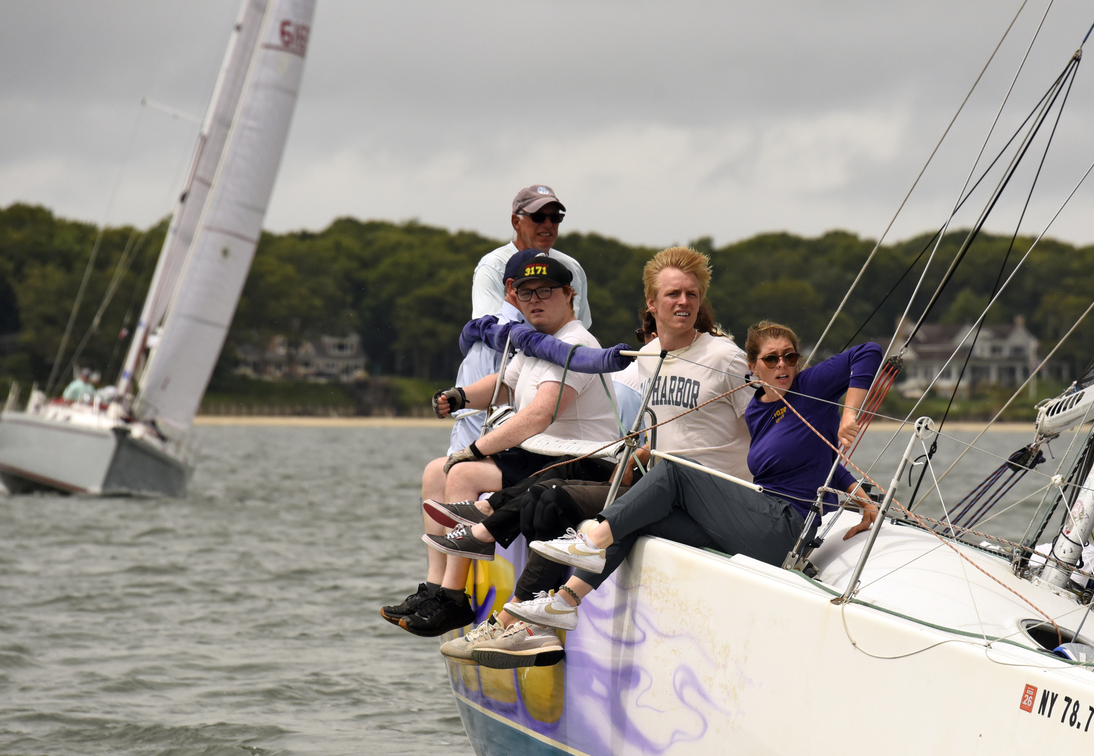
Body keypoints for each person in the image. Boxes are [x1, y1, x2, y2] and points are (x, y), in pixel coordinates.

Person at [474, 322, 884, 662]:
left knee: (676, 472)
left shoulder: (810, 387)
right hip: (759, 521)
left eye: (789, 356)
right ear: (752, 365)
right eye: (771, 359)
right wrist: (859, 494)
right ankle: (565, 601)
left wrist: (849, 415)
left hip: (785, 525)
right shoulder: (759, 408)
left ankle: (589, 541)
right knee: (637, 518)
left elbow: (867, 352)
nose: (783, 365)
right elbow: (812, 459)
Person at [432, 246, 758, 665]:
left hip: (709, 495)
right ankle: (521, 615)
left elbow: (764, 428)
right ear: (651, 303)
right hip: (656, 484)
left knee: (557, 499)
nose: (683, 302)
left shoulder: (723, 357)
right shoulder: (645, 360)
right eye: (673, 294)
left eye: (691, 294)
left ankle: (515, 616)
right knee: (551, 488)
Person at [379, 250, 618, 639]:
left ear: (569, 294)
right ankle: (435, 587)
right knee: (433, 472)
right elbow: (505, 384)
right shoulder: (541, 341)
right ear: (514, 299)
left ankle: (454, 599)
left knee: (462, 472)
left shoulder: (575, 344)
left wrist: (477, 448)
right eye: (526, 294)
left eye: (545, 291)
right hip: (540, 452)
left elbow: (540, 413)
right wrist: (459, 396)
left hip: (574, 457)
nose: (535, 300)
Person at [451, 185, 591, 458]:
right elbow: (493, 331)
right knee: (463, 465)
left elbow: (578, 328)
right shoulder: (492, 266)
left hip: (550, 375)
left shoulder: (572, 269)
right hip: (499, 369)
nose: (548, 224)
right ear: (516, 221)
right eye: (539, 217)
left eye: (556, 217)